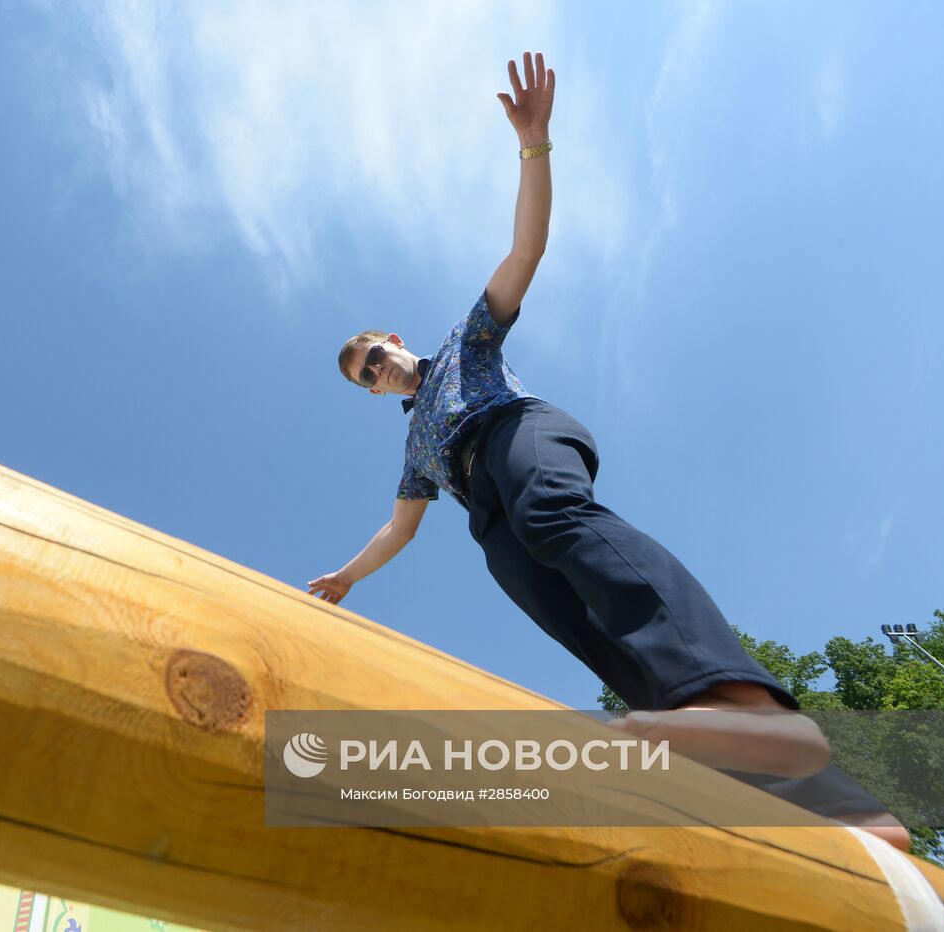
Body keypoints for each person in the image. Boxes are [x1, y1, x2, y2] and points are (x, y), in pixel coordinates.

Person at [306, 52, 909, 851]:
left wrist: (534, 147)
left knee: (552, 515)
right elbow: (401, 527)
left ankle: (746, 706)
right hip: (485, 514)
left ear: (393, 342)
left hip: (518, 433)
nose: (377, 375)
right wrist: (347, 576)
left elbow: (525, 252)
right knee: (557, 603)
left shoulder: (464, 341)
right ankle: (806, 789)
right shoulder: (413, 442)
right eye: (366, 380)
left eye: (374, 360)